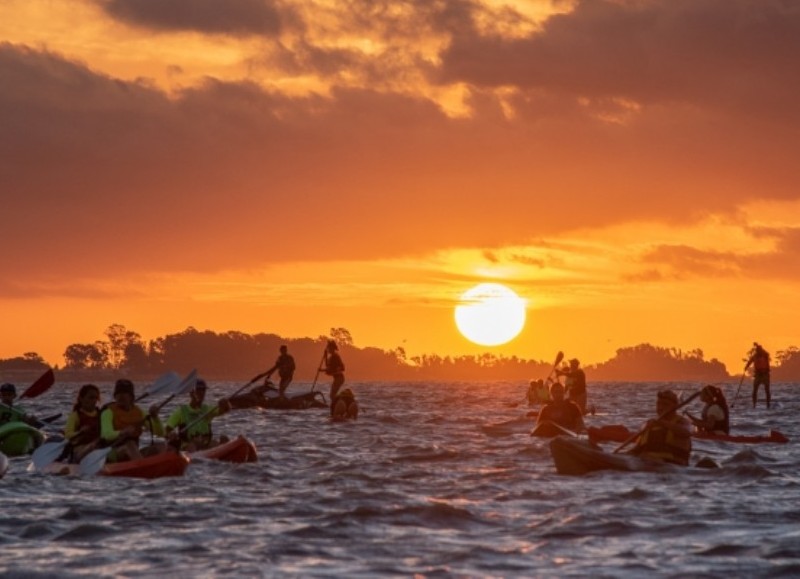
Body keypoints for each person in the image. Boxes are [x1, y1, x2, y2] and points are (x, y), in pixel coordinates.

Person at [100, 379, 165, 462]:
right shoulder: (108, 412)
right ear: (115, 396)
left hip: (134, 453)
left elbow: (160, 433)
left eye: (124, 393)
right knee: (130, 445)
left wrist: (155, 418)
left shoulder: (139, 412)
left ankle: (150, 467)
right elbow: (105, 435)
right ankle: (142, 469)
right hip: (112, 452)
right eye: (118, 393)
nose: (120, 396)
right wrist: (122, 432)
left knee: (161, 446)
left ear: (131, 397)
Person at [629, 389, 692, 466]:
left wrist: (662, 423)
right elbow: (637, 449)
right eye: (658, 404)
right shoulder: (649, 424)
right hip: (647, 462)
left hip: (673, 465)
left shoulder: (682, 422)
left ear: (675, 407)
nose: (660, 407)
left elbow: (686, 432)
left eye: (665, 404)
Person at [165, 378, 231, 451]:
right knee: (192, 446)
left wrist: (226, 404)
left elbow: (224, 410)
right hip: (189, 446)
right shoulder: (181, 412)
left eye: (203, 390)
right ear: (192, 393)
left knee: (224, 439)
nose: (201, 393)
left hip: (205, 444)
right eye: (198, 390)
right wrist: (171, 435)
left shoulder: (207, 409)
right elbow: (166, 430)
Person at [63, 384, 102, 462]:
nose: (94, 401)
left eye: (96, 398)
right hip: (79, 450)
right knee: (93, 446)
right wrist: (80, 432)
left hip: (98, 448)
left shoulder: (101, 414)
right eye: (91, 397)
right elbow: (67, 435)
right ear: (81, 399)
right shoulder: (75, 416)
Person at [322, 340, 346, 415]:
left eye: (328, 348)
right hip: (337, 378)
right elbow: (328, 367)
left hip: (339, 378)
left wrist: (325, 370)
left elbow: (341, 368)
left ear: (332, 348)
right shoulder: (332, 357)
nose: (328, 349)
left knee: (332, 395)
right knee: (332, 395)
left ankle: (339, 406)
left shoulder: (335, 356)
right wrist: (325, 357)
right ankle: (336, 407)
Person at [746, 342, 771, 408]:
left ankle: (768, 405)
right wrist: (746, 367)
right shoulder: (755, 356)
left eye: (759, 350)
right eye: (757, 351)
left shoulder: (765, 355)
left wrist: (759, 347)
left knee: (767, 390)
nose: (758, 352)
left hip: (765, 374)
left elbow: (767, 354)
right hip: (757, 375)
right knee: (755, 390)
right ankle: (754, 405)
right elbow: (750, 361)